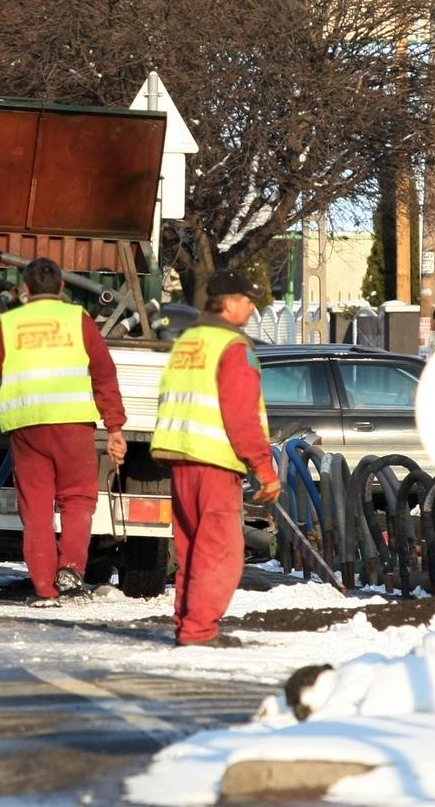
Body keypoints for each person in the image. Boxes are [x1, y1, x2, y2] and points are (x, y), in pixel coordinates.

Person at [0, 257, 128, 607]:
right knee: (78, 499)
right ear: (61, 288)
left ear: (25, 290)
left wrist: (4, 399)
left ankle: (45, 590)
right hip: (73, 427)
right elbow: (104, 373)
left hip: (27, 430)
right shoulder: (79, 320)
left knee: (37, 510)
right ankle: (70, 568)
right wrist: (114, 427)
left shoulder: (10, 324)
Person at [151, 269, 280, 648]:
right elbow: (241, 416)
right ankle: (199, 630)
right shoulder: (233, 347)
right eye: (246, 299)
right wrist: (263, 468)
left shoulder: (188, 341)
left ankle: (187, 623)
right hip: (215, 460)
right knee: (221, 551)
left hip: (181, 455)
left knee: (192, 549)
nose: (252, 307)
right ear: (226, 302)